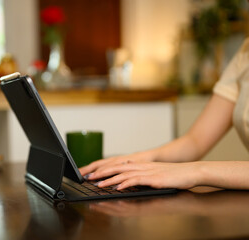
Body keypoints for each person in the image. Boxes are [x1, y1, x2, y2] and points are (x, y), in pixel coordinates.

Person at [79, 37, 249, 190]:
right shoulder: (245, 52)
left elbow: (194, 159)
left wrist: (196, 171)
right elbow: (195, 141)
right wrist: (137, 160)